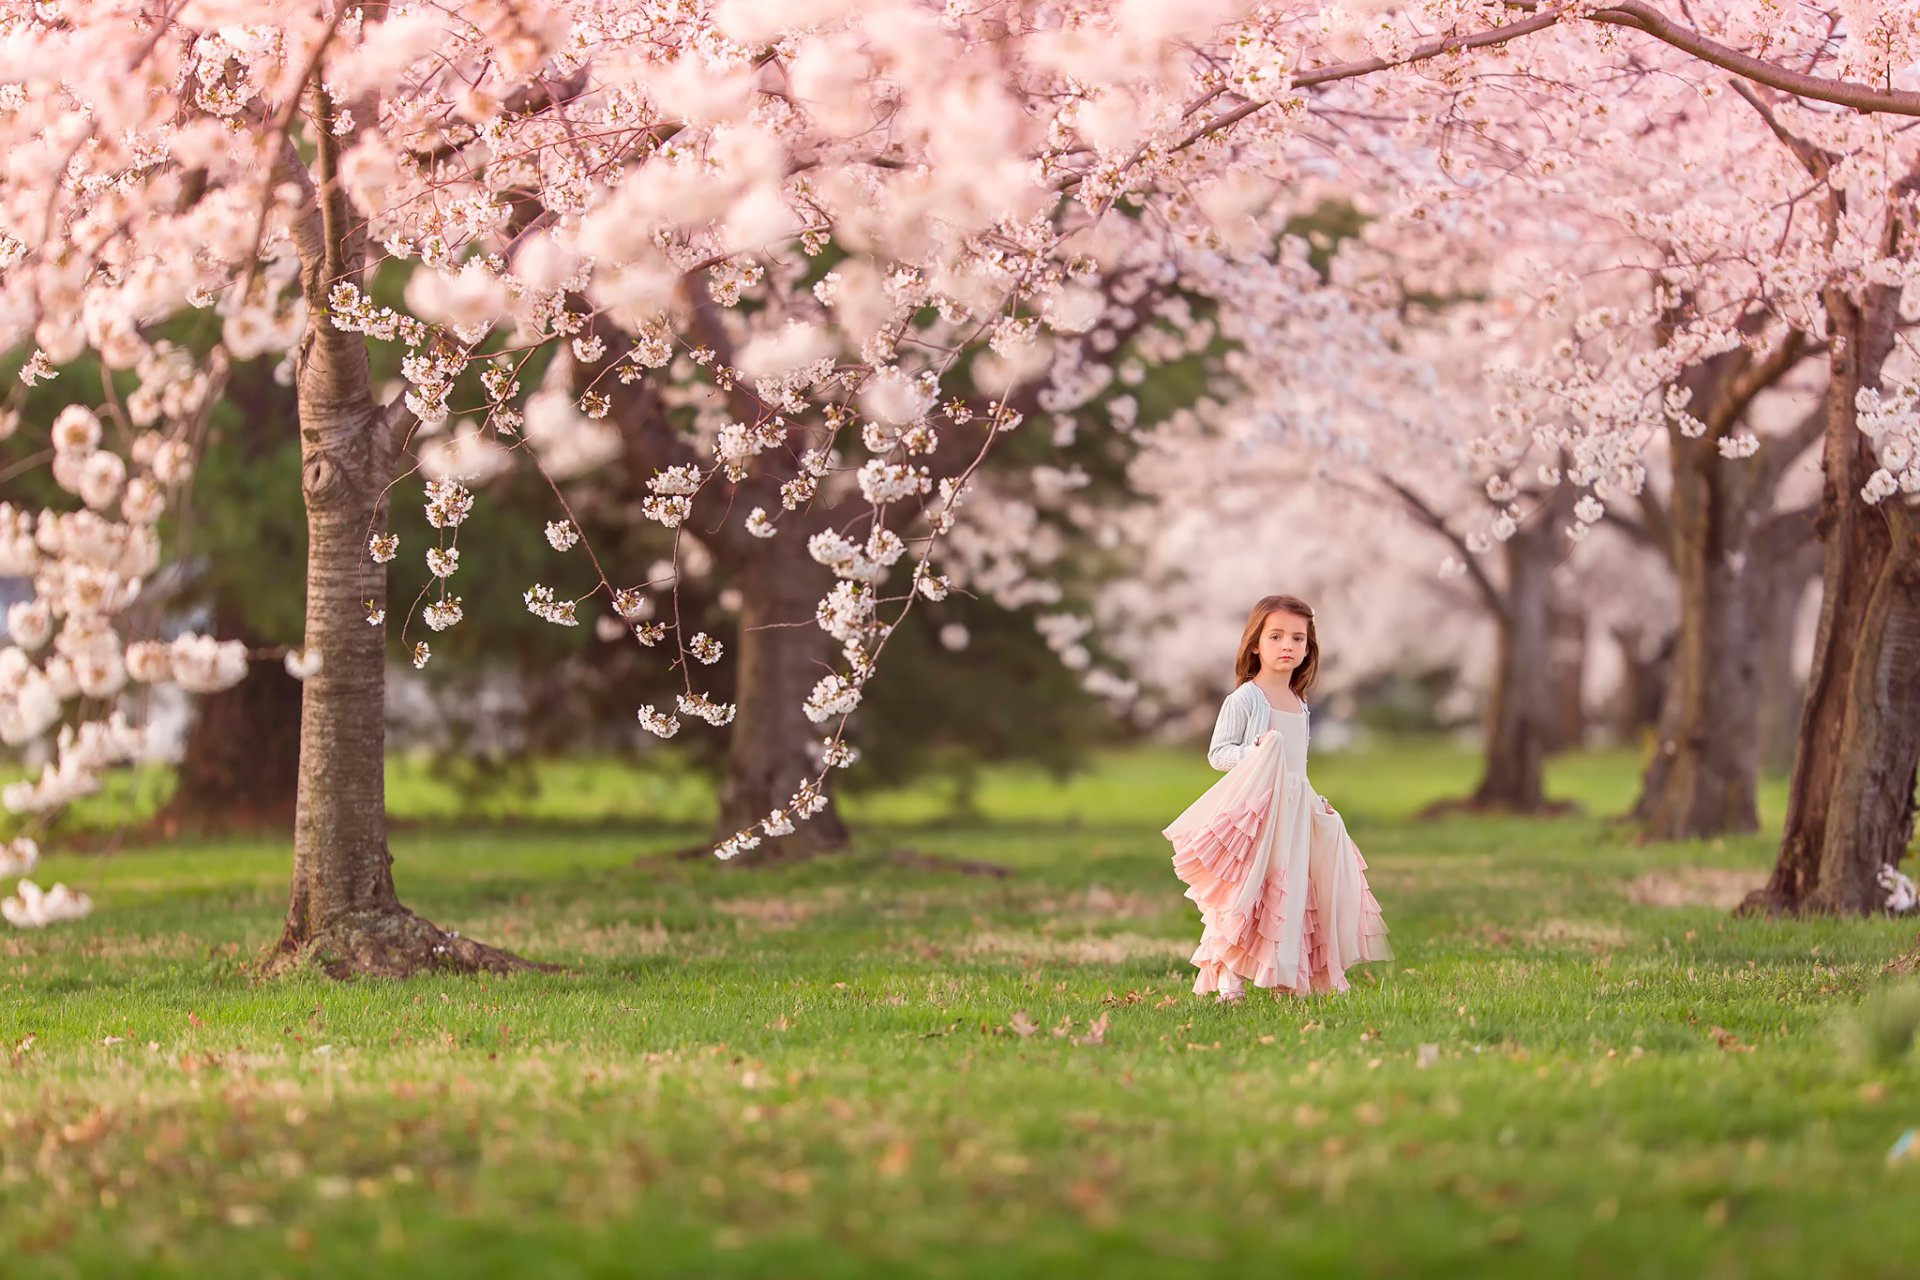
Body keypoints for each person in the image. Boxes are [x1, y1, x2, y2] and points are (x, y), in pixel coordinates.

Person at [1164, 594, 1392, 1001]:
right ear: (1255, 643)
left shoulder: (1300, 704)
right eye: (1276, 636)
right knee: (1245, 892)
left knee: (1288, 890)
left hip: (1294, 811)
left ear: (1308, 648)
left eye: (1298, 639)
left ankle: (1285, 973)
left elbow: (1296, 767)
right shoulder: (1246, 699)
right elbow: (1219, 753)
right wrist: (1255, 751)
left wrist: (1315, 799)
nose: (1288, 646)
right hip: (1257, 812)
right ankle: (1229, 981)